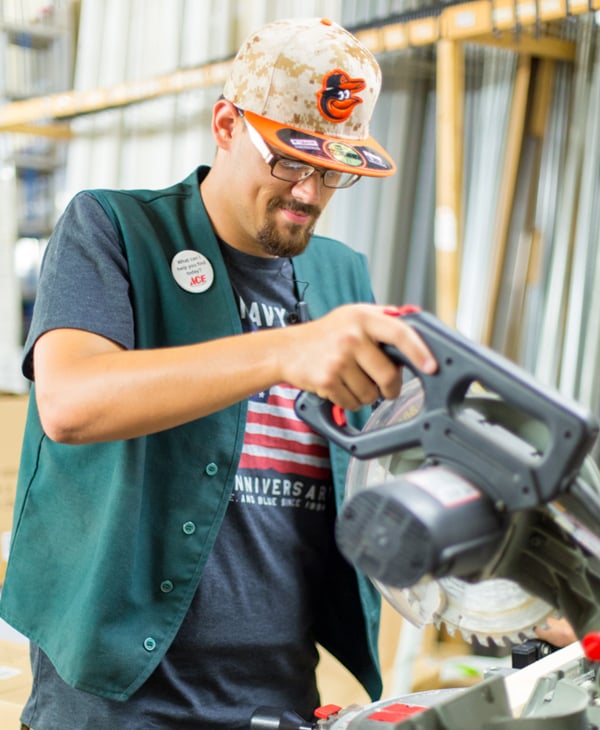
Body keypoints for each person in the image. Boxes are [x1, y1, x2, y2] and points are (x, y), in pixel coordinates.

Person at [0, 17, 437, 730]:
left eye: (334, 172)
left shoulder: (340, 274)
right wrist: (280, 353)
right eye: (290, 162)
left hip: (274, 698)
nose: (309, 193)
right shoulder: (113, 231)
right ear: (227, 125)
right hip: (117, 699)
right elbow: (71, 402)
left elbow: (377, 471)